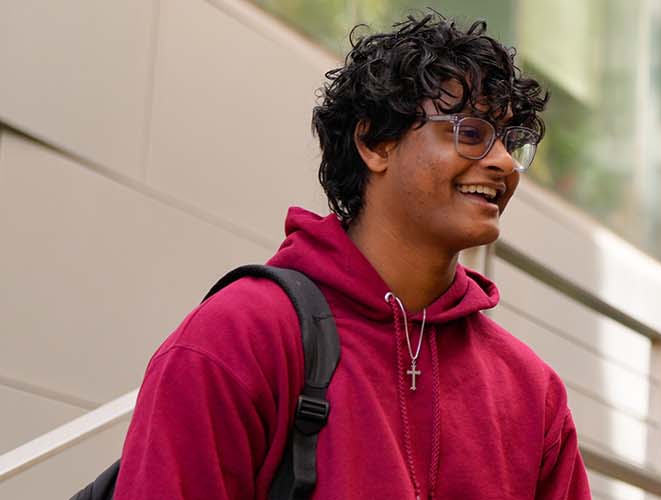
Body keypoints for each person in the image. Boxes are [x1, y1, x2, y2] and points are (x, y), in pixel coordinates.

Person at [114, 13, 590, 499]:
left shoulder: (532, 392)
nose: (505, 163)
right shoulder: (241, 337)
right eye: (471, 133)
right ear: (375, 143)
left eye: (513, 142)